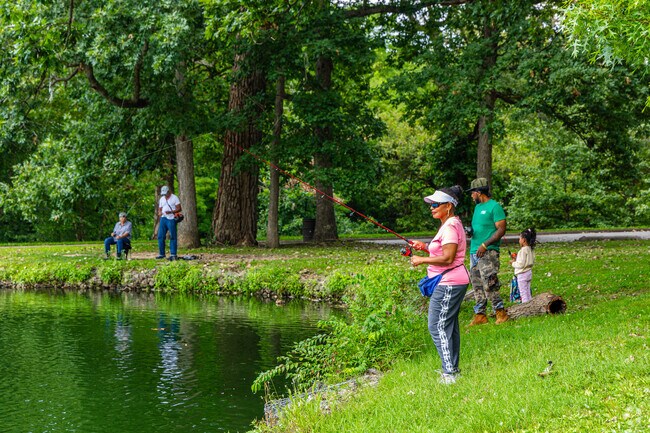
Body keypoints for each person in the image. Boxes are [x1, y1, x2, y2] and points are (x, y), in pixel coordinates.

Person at [409, 185, 469, 385]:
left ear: (449, 206)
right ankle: (452, 369)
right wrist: (425, 248)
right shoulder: (450, 224)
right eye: (431, 204)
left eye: (436, 204)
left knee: (437, 326)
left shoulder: (451, 226)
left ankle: (450, 374)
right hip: (452, 280)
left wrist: (421, 260)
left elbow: (449, 257)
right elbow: (444, 252)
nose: (431, 207)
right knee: (449, 325)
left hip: (449, 281)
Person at [467, 177, 509, 325]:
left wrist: (485, 244)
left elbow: (501, 229)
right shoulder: (477, 208)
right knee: (477, 283)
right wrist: (471, 233)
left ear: (479, 192)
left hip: (488, 251)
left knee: (490, 282)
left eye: (472, 193)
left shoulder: (494, 206)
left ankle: (500, 312)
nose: (471, 196)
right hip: (474, 251)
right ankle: (480, 315)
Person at [510, 228, 537, 303]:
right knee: (528, 291)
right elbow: (527, 260)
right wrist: (517, 258)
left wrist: (513, 263)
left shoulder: (522, 250)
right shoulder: (530, 249)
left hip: (522, 274)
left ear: (524, 240)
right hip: (529, 272)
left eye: (519, 239)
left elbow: (521, 264)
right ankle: (530, 304)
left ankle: (526, 307)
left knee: (523, 293)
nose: (519, 240)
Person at [157, 185, 181, 261]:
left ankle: (173, 253)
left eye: (166, 193)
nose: (165, 195)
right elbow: (160, 208)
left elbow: (179, 208)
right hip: (163, 218)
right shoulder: (162, 199)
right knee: (160, 236)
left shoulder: (174, 198)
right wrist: (160, 213)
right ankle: (162, 253)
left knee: (172, 236)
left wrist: (171, 212)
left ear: (168, 191)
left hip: (171, 218)